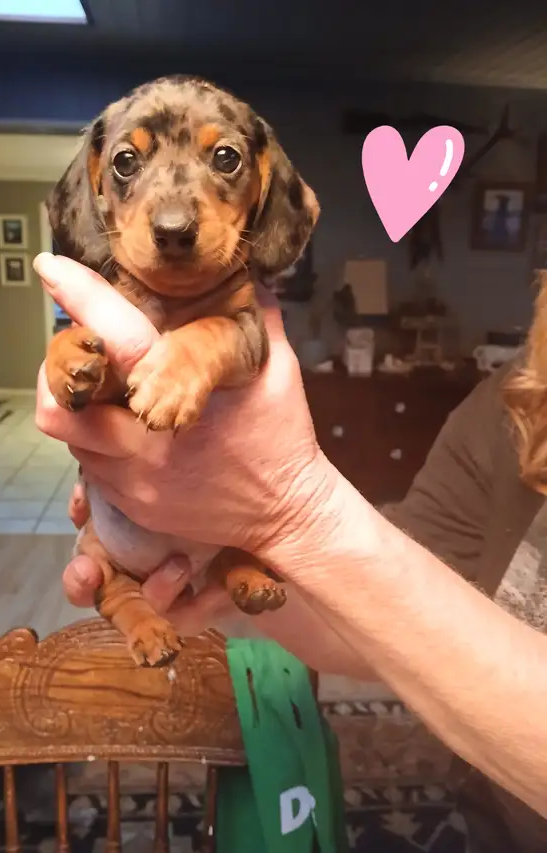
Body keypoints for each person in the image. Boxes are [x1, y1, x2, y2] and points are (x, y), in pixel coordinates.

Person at [34, 253, 547, 839]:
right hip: (486, 819)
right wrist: (235, 549)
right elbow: (392, 621)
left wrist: (294, 512)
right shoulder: (514, 404)